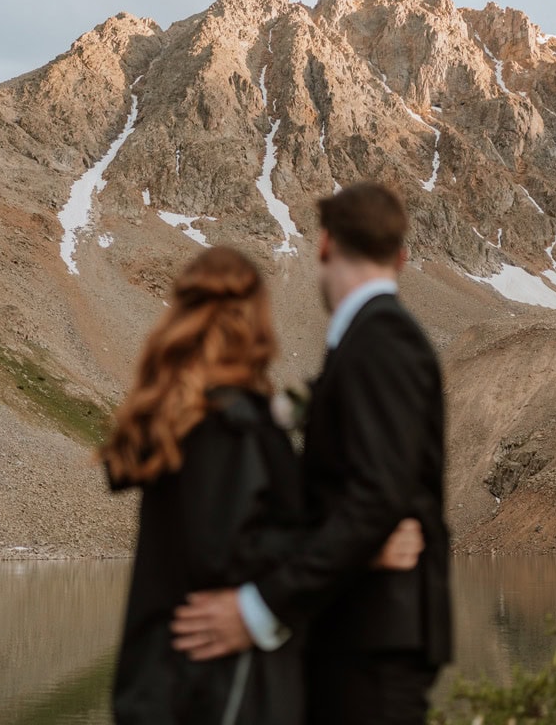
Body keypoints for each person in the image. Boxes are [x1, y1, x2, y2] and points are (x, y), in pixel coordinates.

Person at [103, 245, 424, 725]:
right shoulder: (225, 425)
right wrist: (363, 550)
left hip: (170, 686)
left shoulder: (180, 420)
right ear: (252, 318)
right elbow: (232, 551)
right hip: (223, 689)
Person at [172, 182, 452, 725]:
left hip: (376, 637)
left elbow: (377, 499)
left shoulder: (381, 341)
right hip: (361, 631)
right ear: (401, 256)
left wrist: (259, 609)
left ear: (324, 246)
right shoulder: (368, 343)